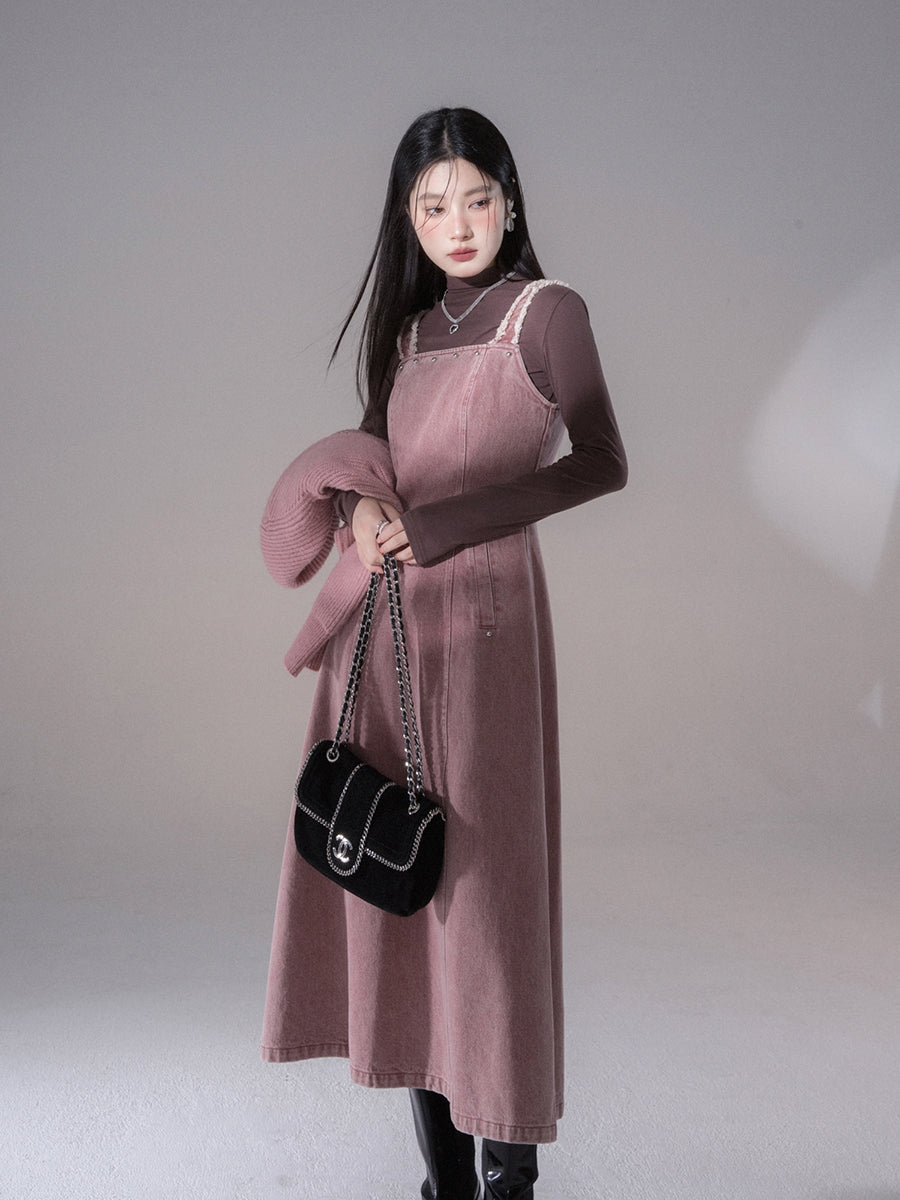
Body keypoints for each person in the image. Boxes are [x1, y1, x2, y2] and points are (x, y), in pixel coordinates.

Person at [259, 107, 627, 1200]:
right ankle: (446, 1183)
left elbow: (602, 460)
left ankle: (510, 1171)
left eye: (476, 198)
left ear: (510, 200)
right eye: (432, 207)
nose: (457, 224)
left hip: (489, 632)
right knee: (401, 890)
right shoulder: (412, 335)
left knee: (487, 899)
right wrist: (364, 512)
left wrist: (448, 524)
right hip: (385, 640)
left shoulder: (547, 314)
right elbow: (378, 463)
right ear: (407, 220)